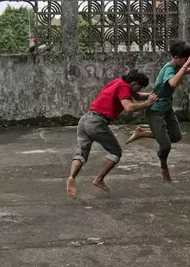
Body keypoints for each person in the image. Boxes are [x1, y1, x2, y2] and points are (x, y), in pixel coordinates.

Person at [126, 40, 190, 182]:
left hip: (166, 109)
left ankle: (142, 133)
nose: (188, 63)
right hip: (155, 111)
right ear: (177, 58)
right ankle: (164, 168)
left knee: (176, 137)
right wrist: (188, 63)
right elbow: (173, 82)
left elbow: (182, 72)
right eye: (186, 60)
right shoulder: (169, 68)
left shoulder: (176, 67)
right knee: (166, 145)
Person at [66, 69, 158, 199]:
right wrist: (148, 103)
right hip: (97, 122)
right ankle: (99, 179)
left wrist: (154, 95)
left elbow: (137, 96)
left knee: (81, 154)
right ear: (133, 84)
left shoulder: (118, 82)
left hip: (85, 120)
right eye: (140, 86)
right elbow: (129, 107)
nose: (140, 89)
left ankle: (71, 177)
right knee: (116, 152)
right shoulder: (124, 87)